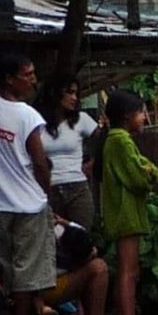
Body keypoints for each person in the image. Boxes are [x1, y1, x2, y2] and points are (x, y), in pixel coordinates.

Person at [0, 52, 59, 315]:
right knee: (27, 266)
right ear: (10, 79)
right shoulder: (28, 115)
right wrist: (47, 189)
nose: (33, 80)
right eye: (27, 74)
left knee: (5, 265)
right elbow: (39, 160)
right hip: (28, 202)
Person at [100, 88, 158, 315]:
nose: (146, 118)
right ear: (127, 116)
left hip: (127, 213)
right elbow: (141, 177)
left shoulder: (117, 140)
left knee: (130, 270)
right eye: (142, 112)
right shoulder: (121, 141)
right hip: (125, 213)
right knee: (128, 271)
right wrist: (151, 170)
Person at [35, 74, 99, 230]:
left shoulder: (81, 119)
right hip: (48, 189)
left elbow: (104, 139)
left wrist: (93, 163)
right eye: (69, 92)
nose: (74, 98)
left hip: (77, 187)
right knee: (54, 241)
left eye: (76, 93)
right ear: (55, 93)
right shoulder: (37, 122)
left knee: (82, 238)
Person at [42, 220, 116, 315]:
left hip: (34, 285)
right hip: (50, 285)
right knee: (98, 267)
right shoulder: (59, 239)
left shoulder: (52, 228)